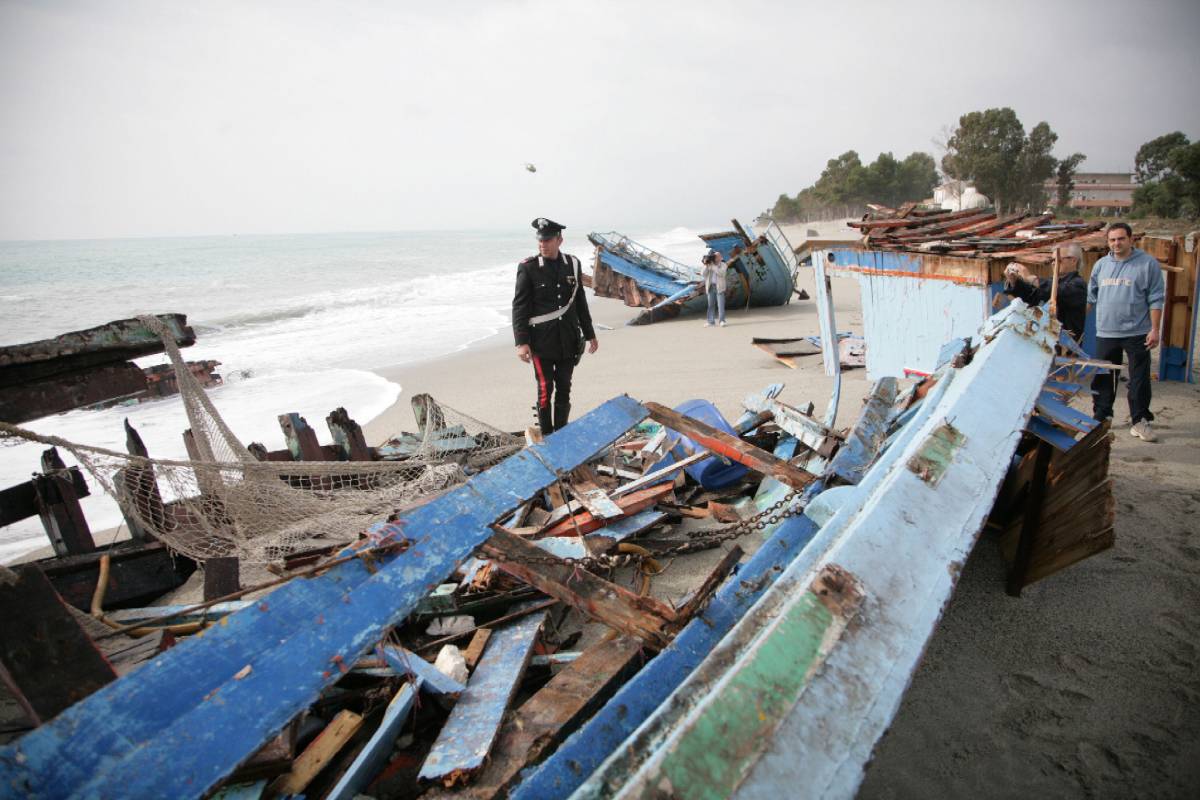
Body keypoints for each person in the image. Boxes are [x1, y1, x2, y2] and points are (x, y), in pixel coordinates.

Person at [512, 217, 598, 434]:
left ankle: (561, 432)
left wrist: (590, 334)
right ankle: (547, 434)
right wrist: (521, 343)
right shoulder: (528, 268)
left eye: (548, 240)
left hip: (568, 339)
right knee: (544, 388)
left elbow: (579, 302)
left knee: (564, 388)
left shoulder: (573, 264)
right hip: (541, 342)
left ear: (559, 240)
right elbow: (520, 307)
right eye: (540, 240)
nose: (543, 244)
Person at [1087, 222, 1165, 442]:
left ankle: (1139, 420)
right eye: (1112, 240)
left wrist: (1155, 329)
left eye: (1121, 239)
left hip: (1137, 332)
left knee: (1139, 378)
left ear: (1131, 239)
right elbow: (1090, 298)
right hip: (1106, 331)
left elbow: (1156, 298)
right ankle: (1102, 416)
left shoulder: (1147, 264)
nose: (1116, 243)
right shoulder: (1101, 265)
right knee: (1103, 376)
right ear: (1108, 242)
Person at [1002, 243, 1088, 340]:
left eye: (1058, 260)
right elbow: (1031, 297)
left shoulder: (1078, 284)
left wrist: (1030, 278)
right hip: (1044, 344)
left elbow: (1056, 291)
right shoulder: (1052, 282)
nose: (1053, 263)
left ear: (1073, 260)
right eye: (1052, 260)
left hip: (1065, 349)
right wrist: (1013, 281)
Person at [701, 249, 728, 327]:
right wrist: (706, 265)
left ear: (721, 257)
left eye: (717, 256)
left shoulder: (723, 264)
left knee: (720, 305)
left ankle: (722, 321)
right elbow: (703, 274)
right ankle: (710, 322)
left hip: (719, 287)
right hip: (710, 287)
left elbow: (721, 273)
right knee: (711, 305)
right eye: (715, 256)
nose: (715, 257)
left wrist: (713, 266)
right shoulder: (709, 265)